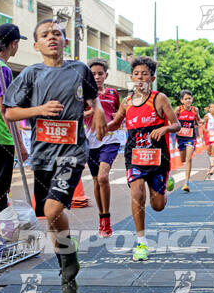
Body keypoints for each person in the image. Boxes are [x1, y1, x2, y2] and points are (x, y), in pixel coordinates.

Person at [4, 19, 107, 293]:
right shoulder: (30, 74)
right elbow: (9, 113)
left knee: (52, 210)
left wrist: (97, 110)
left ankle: (69, 256)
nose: (52, 38)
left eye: (58, 34)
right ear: (36, 45)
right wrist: (39, 109)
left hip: (72, 153)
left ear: (65, 42)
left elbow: (92, 97)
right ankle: (66, 265)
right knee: (50, 217)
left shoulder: (79, 69)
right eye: (45, 35)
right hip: (42, 155)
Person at [107, 55, 181, 261]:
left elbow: (177, 125)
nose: (140, 78)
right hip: (135, 157)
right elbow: (115, 123)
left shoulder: (160, 99)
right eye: (137, 74)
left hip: (158, 158)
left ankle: (166, 184)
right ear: (131, 77)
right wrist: (101, 127)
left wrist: (165, 127)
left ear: (152, 78)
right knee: (137, 193)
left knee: (157, 205)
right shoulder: (127, 101)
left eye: (145, 74)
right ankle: (141, 242)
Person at [0, 24, 28, 234]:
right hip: (2, 139)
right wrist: (19, 144)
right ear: (14, 44)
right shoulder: (3, 70)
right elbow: (5, 110)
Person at [85, 58, 120, 238]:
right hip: (90, 142)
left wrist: (117, 116)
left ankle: (107, 218)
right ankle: (102, 218)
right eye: (93, 74)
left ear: (106, 75)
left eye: (100, 74)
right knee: (96, 181)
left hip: (109, 140)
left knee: (103, 177)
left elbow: (120, 113)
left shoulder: (113, 93)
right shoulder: (83, 93)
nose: (97, 77)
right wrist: (91, 111)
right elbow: (77, 113)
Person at [175, 90, 201, 192]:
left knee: (189, 158)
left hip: (191, 137)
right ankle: (186, 179)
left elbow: (198, 120)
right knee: (183, 160)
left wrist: (204, 120)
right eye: (185, 99)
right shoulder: (178, 110)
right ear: (182, 100)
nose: (188, 100)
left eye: (189, 98)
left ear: (192, 99)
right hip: (181, 137)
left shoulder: (195, 110)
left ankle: (186, 182)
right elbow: (172, 120)